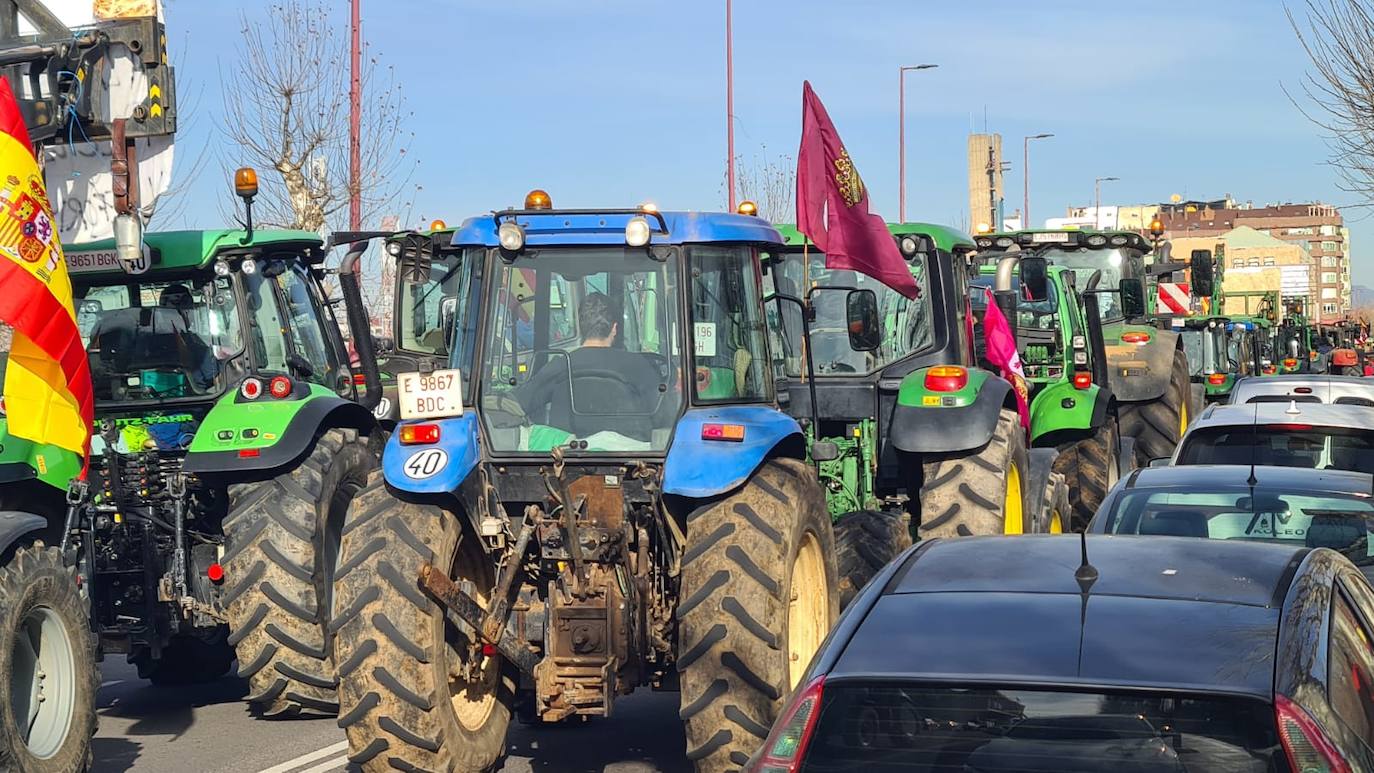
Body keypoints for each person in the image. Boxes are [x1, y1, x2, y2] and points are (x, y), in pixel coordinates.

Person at [515, 291, 663, 439]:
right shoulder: (637, 365)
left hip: (566, 458)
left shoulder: (561, 365)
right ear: (614, 329)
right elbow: (664, 415)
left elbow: (519, 404)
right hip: (632, 459)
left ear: (581, 326)